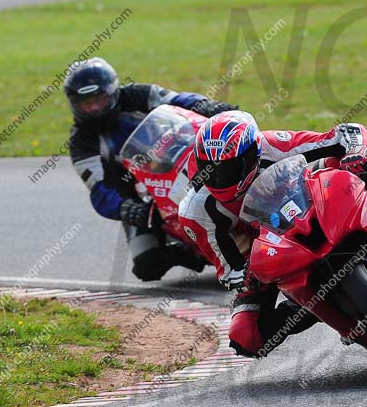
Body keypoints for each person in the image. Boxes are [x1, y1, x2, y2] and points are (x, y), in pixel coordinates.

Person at [179, 110, 367, 357]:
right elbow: (229, 269)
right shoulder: (196, 211)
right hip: (264, 249)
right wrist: (247, 276)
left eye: (228, 169)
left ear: (252, 153)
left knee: (366, 161)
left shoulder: (272, 145)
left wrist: (358, 150)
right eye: (211, 170)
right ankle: (307, 307)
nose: (219, 179)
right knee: (245, 337)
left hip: (307, 202)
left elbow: (346, 133)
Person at [64, 57, 237, 281]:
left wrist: (206, 106)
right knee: (147, 266)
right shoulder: (81, 142)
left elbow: (178, 100)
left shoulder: (136, 94)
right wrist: (126, 208)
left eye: (100, 99)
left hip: (179, 158)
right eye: (87, 103)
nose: (95, 108)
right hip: (141, 198)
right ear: (74, 104)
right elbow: (99, 191)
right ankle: (190, 251)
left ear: (113, 92)